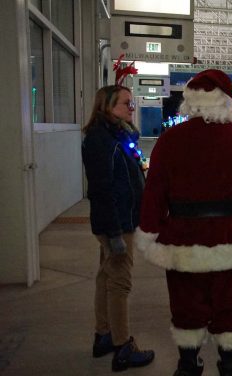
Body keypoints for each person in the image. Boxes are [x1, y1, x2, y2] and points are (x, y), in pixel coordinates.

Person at [134, 69, 232, 376]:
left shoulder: (170, 141)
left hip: (184, 237)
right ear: (226, 103)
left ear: (192, 102)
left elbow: (155, 192)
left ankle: (188, 363)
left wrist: (149, 230)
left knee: (186, 302)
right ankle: (230, 363)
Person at [81, 85, 155, 372]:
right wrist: (114, 234)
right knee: (120, 283)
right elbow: (101, 190)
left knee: (105, 276)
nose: (131, 108)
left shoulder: (113, 135)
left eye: (132, 103)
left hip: (118, 219)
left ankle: (103, 335)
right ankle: (123, 347)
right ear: (108, 106)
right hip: (116, 222)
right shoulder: (102, 140)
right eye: (126, 103)